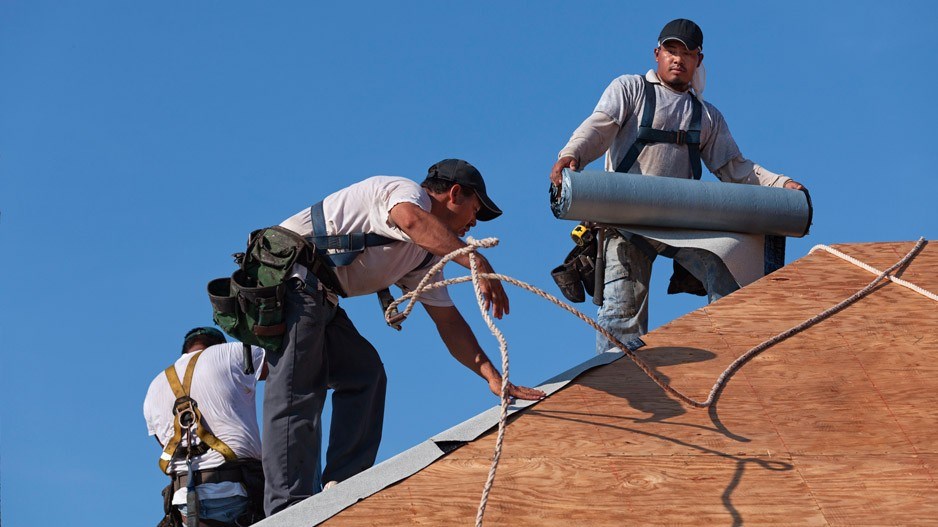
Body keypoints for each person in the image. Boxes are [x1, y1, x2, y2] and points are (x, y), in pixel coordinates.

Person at [263, 158, 545, 515]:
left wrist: (493, 377)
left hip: (321, 297)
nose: (473, 223)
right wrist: (477, 261)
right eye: (475, 210)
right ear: (454, 193)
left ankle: (342, 488)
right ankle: (288, 509)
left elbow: (449, 323)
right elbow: (411, 220)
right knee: (296, 387)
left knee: (364, 373)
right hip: (292, 283)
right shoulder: (404, 192)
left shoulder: (422, 255)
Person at [549, 18, 807, 353]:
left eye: (687, 53)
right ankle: (619, 376)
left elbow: (734, 167)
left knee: (729, 272)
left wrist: (782, 185)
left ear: (699, 60)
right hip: (626, 222)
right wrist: (572, 155)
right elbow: (598, 127)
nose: (678, 59)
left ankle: (733, 357)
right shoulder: (631, 89)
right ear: (657, 53)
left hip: (682, 224)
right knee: (621, 312)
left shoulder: (705, 115)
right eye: (671, 50)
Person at [144, 327, 267, 526]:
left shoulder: (154, 388)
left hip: (186, 507)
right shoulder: (229, 353)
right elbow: (281, 365)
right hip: (237, 493)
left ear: (185, 351)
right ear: (219, 345)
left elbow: (166, 446)